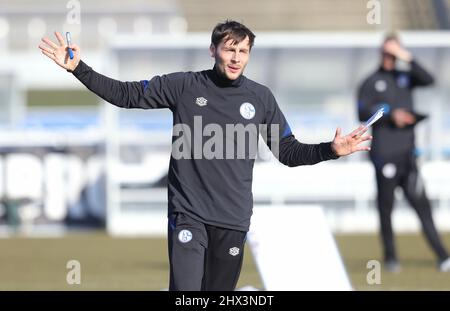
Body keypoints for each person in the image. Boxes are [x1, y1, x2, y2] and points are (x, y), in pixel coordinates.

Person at [39, 20, 372, 290]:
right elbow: (126, 95)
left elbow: (287, 151)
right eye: (230, 49)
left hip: (233, 219)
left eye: (243, 51)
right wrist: (79, 68)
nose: (236, 57)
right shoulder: (184, 86)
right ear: (213, 50)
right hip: (189, 215)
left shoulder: (260, 98)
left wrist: (331, 149)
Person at [357, 34, 450, 273]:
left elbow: (429, 79)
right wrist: (390, 115)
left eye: (396, 50)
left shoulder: (405, 77)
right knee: (386, 209)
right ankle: (390, 258)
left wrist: (406, 57)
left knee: (422, 206)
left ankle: (442, 256)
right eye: (389, 50)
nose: (392, 55)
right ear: (381, 51)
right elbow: (362, 111)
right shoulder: (371, 81)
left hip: (408, 157)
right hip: (384, 156)